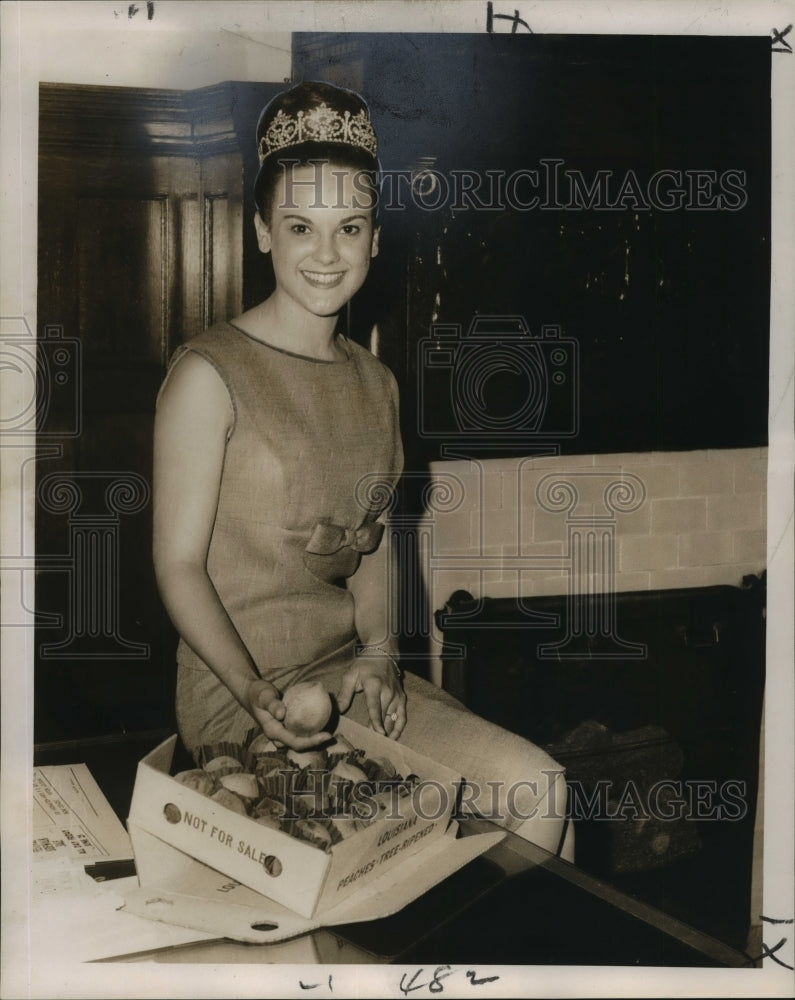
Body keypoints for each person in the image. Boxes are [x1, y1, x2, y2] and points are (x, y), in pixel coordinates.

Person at [153, 81, 573, 856]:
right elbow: (178, 566)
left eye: (348, 227)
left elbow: (373, 545)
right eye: (299, 226)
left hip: (352, 678)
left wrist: (381, 655)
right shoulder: (206, 376)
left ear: (375, 239)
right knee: (350, 852)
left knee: (539, 790)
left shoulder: (376, 382)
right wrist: (255, 693)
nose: (325, 253)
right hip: (239, 694)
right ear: (260, 232)